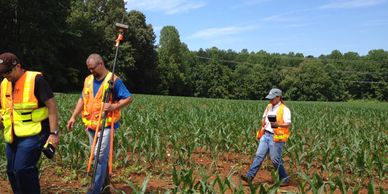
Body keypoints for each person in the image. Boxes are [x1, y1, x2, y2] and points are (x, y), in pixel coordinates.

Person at [66, 53, 133, 194]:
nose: (91, 71)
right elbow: (82, 99)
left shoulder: (113, 80)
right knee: (98, 158)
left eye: (92, 68)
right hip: (91, 126)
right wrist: (73, 116)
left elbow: (128, 98)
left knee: (98, 158)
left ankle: (94, 190)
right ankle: (105, 188)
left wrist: (114, 107)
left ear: (101, 64)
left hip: (106, 126)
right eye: (89, 69)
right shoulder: (88, 80)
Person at [0, 52, 59, 194]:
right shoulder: (4, 84)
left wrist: (54, 134)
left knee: (23, 169)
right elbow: (5, 109)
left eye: (8, 71)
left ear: (18, 66)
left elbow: (51, 106)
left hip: (35, 133)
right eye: (2, 73)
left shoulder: (36, 80)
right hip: (12, 135)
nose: (6, 75)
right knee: (11, 171)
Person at [241, 88, 291, 186]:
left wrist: (277, 124)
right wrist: (263, 120)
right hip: (266, 134)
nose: (270, 100)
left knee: (275, 160)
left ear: (278, 97)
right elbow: (264, 117)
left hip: (276, 137)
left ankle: (284, 179)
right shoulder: (269, 106)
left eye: (272, 98)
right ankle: (250, 176)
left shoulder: (285, 109)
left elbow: (288, 124)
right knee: (259, 155)